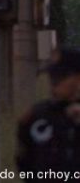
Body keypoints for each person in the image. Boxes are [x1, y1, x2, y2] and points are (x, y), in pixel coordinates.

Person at [17, 48, 80, 181]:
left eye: (61, 76)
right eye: (52, 75)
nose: (54, 82)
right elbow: (24, 161)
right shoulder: (36, 116)